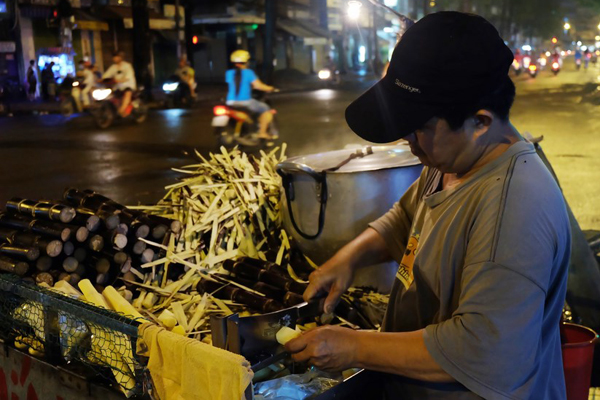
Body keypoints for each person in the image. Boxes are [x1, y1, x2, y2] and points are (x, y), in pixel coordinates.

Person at [285, 12, 571, 399]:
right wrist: (349, 259)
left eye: (419, 127)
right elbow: (407, 220)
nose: (409, 142)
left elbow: (483, 351)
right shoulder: (452, 160)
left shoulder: (513, 208)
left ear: (480, 121)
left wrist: (354, 346)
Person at [225, 50, 276, 140]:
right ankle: (262, 133)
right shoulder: (248, 72)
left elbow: (236, 84)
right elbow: (258, 86)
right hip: (245, 102)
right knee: (266, 109)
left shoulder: (229, 73)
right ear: (246, 61)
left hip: (230, 102)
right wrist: (270, 88)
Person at [102, 51, 136, 117]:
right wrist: (101, 79)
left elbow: (128, 76)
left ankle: (121, 110)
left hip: (128, 85)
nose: (115, 59)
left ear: (121, 57)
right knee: (112, 96)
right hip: (117, 87)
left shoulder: (127, 66)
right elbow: (106, 75)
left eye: (117, 57)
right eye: (114, 57)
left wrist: (121, 80)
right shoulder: (113, 67)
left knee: (127, 93)